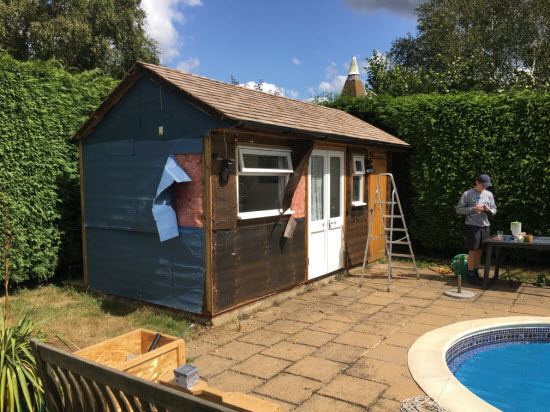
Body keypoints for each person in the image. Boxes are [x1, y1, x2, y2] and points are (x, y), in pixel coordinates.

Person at [456, 174, 497, 284]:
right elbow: (459, 209)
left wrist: (489, 211)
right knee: (472, 251)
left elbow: (494, 209)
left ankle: (476, 273)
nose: (484, 188)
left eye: (486, 186)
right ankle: (471, 275)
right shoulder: (467, 194)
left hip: (485, 225)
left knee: (480, 251)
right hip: (472, 226)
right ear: (477, 182)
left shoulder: (489, 194)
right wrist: (474, 209)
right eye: (483, 185)